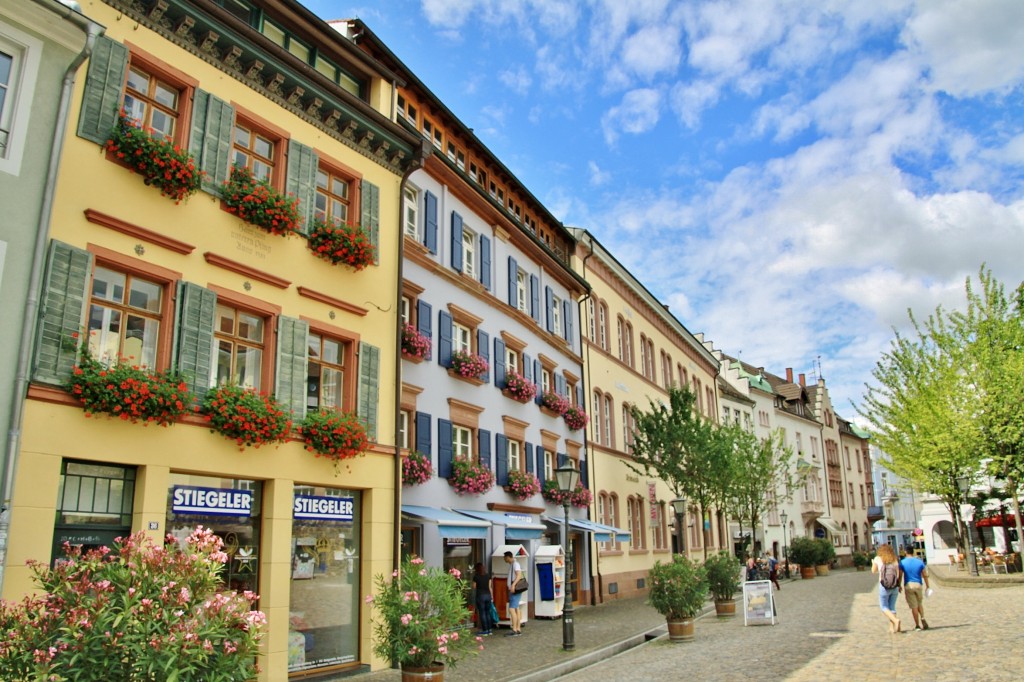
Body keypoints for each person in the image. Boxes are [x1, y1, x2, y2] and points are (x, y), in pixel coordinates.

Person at [872, 544, 903, 634]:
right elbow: (898, 573)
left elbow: (873, 571)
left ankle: (895, 621)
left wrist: (873, 563)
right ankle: (892, 628)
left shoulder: (878, 558)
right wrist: (899, 585)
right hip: (895, 585)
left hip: (884, 586)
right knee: (892, 607)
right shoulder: (894, 558)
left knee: (884, 607)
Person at [899, 547, 931, 631]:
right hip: (918, 584)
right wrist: (927, 586)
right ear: (913, 552)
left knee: (914, 606)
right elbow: (924, 574)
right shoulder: (919, 562)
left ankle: (917, 625)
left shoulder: (902, 562)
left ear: (906, 552)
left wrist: (899, 585)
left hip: (909, 585)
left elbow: (900, 575)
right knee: (919, 603)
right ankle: (923, 618)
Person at [503, 550, 524, 637]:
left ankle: (514, 629)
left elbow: (519, 575)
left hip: (514, 590)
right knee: (516, 609)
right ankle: (518, 628)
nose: (504, 559)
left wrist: (513, 585)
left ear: (508, 557)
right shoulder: (513, 564)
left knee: (511, 609)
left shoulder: (515, 564)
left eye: (504, 557)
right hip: (514, 589)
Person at [472, 562, 494, 636]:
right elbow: (490, 587)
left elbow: (474, 586)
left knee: (482, 613)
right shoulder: (488, 576)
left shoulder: (476, 576)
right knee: (488, 612)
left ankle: (485, 630)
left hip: (480, 596)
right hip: (488, 595)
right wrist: (491, 596)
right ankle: (489, 630)